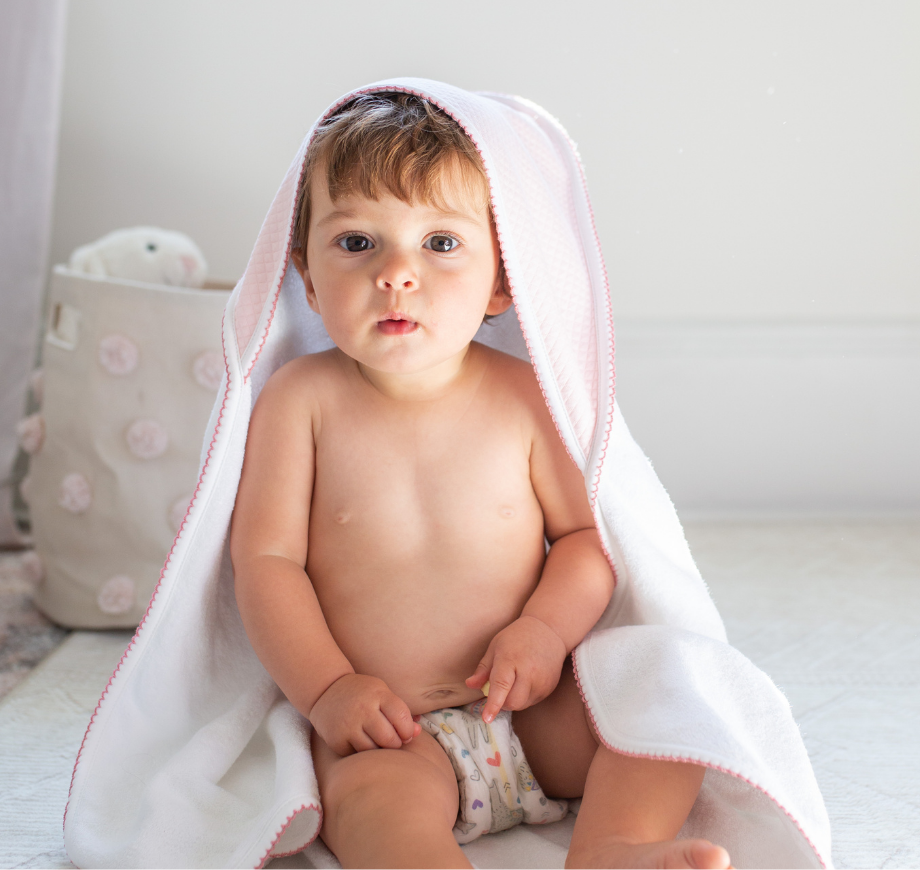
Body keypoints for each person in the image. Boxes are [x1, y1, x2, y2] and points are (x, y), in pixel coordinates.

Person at [229, 91, 732, 869]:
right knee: (374, 813)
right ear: (307, 278)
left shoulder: (527, 397)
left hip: (535, 708)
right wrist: (328, 690)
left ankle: (613, 848)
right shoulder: (301, 401)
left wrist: (544, 633)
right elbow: (266, 564)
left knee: (668, 714)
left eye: (440, 243)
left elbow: (585, 538)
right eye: (357, 242)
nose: (397, 274)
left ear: (503, 279)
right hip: (391, 730)